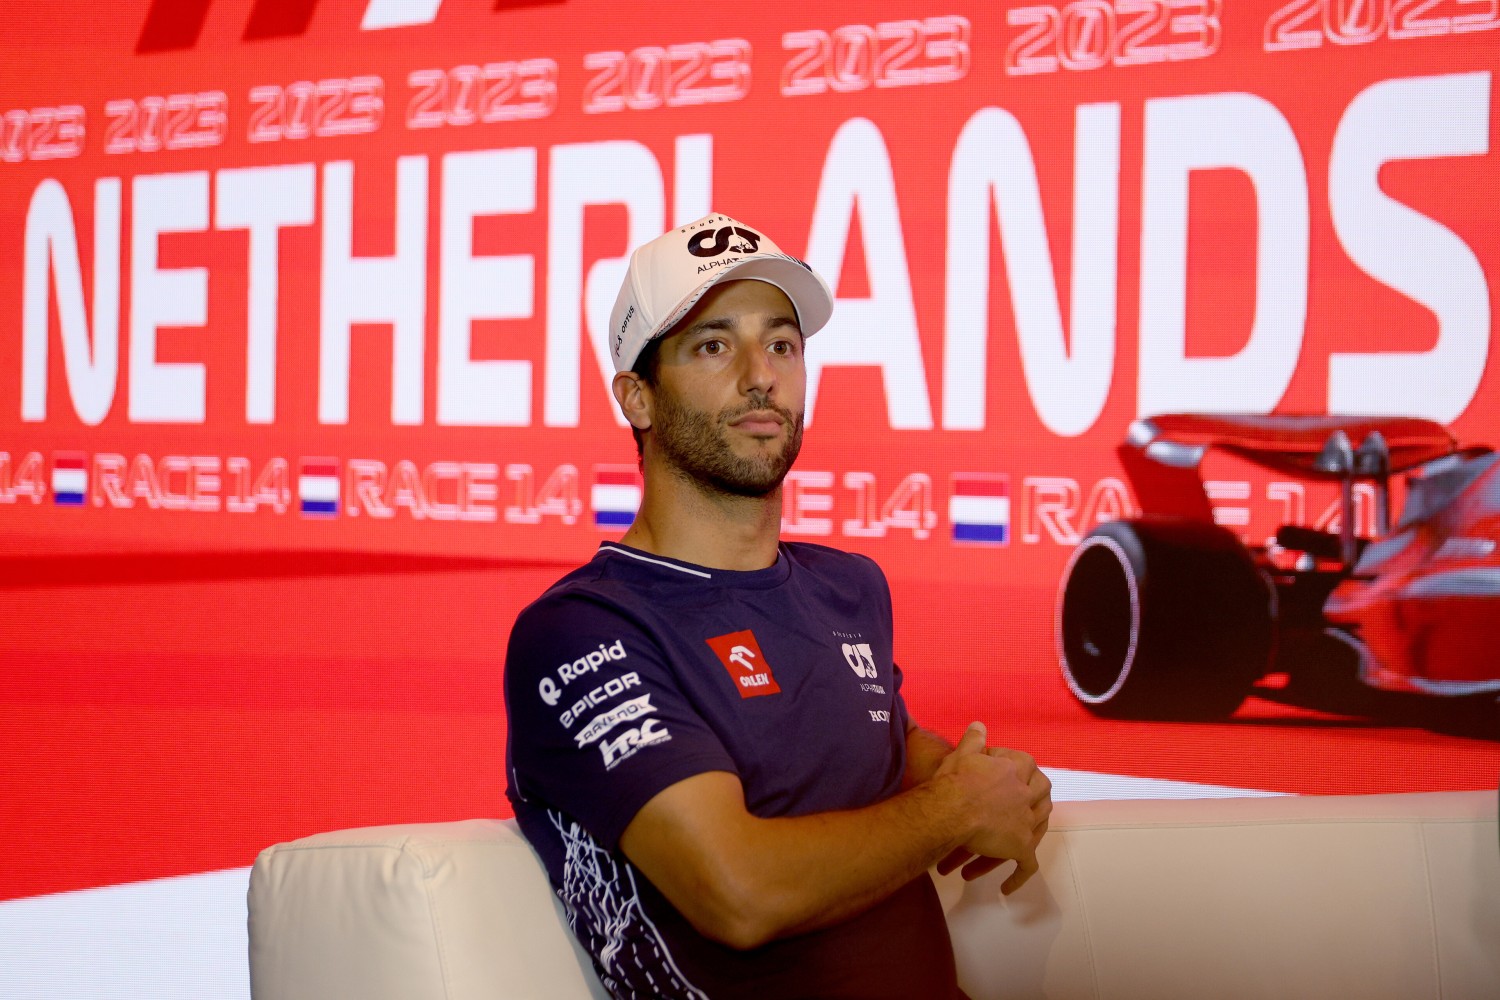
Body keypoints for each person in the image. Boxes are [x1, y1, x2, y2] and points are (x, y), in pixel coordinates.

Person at [504, 212, 1052, 999]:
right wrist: (955, 806)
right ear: (638, 398)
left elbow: (871, 746)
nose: (761, 374)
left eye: (782, 344)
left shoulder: (849, 585)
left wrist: (986, 776)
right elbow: (738, 891)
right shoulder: (581, 629)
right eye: (714, 344)